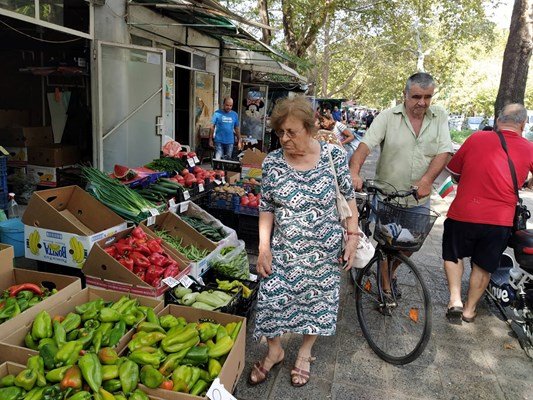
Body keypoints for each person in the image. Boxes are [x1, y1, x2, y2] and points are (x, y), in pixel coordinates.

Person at [249, 96, 359, 388]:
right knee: (270, 299)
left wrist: (353, 237)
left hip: (324, 252)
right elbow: (266, 208)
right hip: (284, 250)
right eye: (280, 132)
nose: (284, 139)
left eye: (291, 132)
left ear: (309, 129)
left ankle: (305, 353)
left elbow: (348, 198)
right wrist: (264, 248)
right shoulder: (273, 162)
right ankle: (275, 351)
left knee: (317, 305)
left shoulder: (334, 157)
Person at [350, 72, 452, 293]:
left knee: (411, 244)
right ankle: (386, 288)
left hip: (419, 197)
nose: (422, 102)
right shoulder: (388, 117)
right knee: (388, 242)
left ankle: (390, 271)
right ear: (405, 95)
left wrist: (426, 180)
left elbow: (444, 151)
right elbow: (365, 146)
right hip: (388, 194)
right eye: (416, 96)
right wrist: (354, 171)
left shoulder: (439, 116)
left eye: (427, 97)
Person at [442, 103, 533, 323]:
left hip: (463, 212)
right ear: (522, 124)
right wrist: (527, 181)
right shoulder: (529, 148)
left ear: (499, 120)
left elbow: (454, 171)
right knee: (484, 264)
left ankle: (455, 299)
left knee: (453, 254)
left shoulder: (476, 138)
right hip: (499, 220)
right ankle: (469, 310)